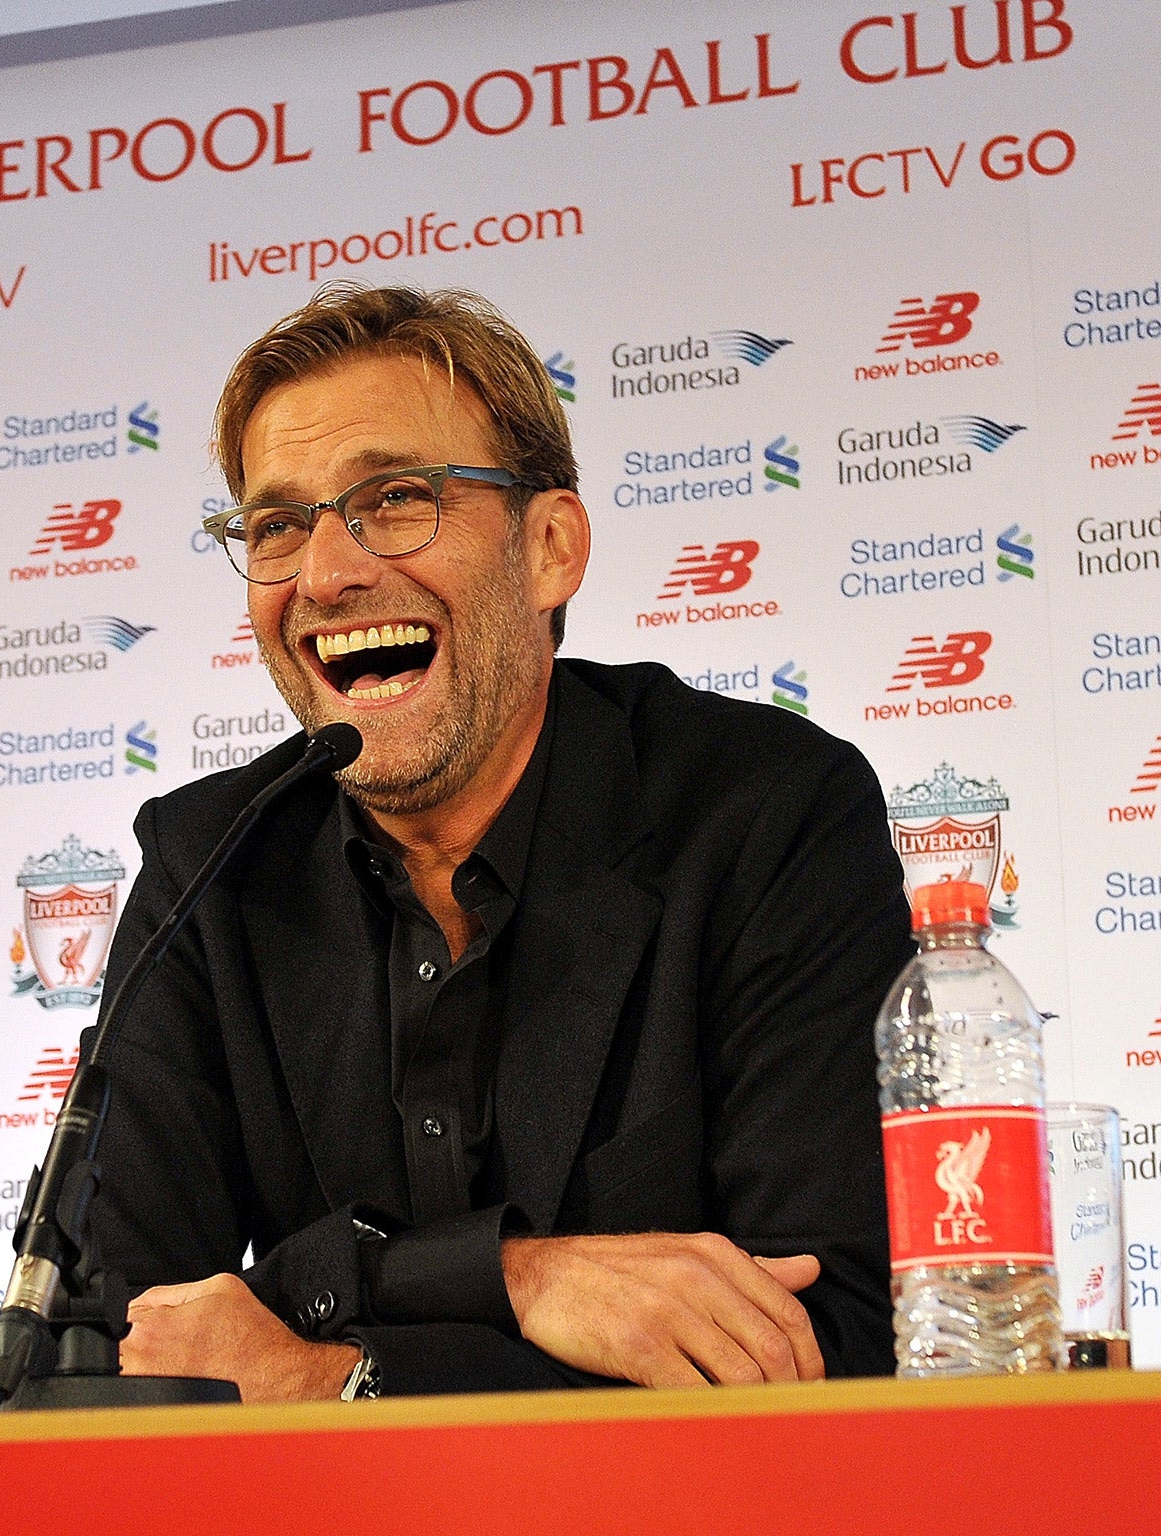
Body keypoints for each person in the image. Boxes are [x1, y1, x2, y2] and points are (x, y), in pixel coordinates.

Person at [93, 285, 912, 1400]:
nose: (326, 573)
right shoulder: (209, 864)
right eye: (277, 525)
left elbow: (821, 1344)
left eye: (393, 499)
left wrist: (320, 1368)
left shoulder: (763, 814)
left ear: (549, 548)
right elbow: (105, 1352)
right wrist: (521, 1279)